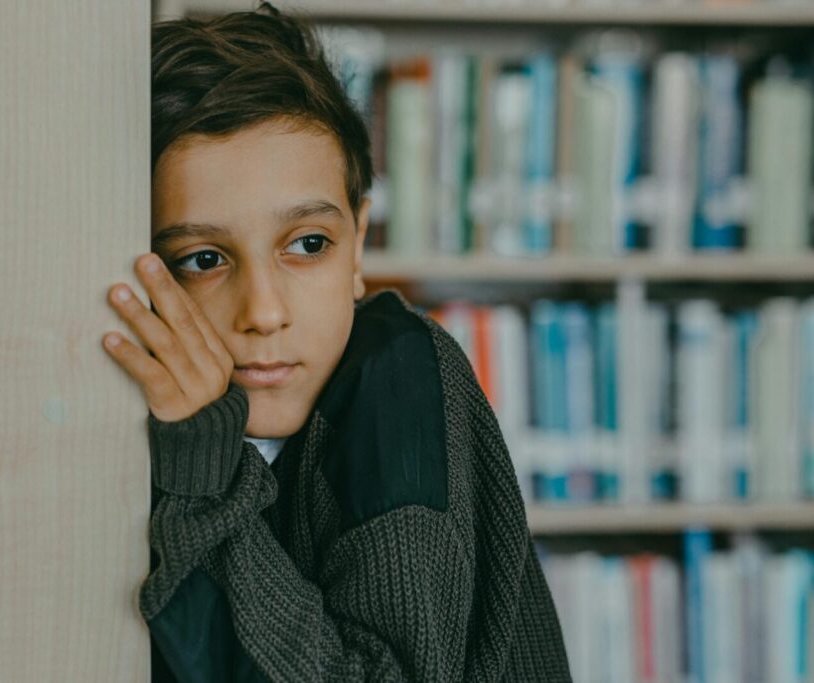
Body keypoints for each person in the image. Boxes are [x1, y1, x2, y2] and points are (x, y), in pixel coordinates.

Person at [101, 2, 572, 680]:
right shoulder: (160, 413)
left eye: (308, 245)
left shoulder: (399, 376)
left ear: (358, 246)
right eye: (203, 259)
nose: (263, 313)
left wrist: (204, 469)